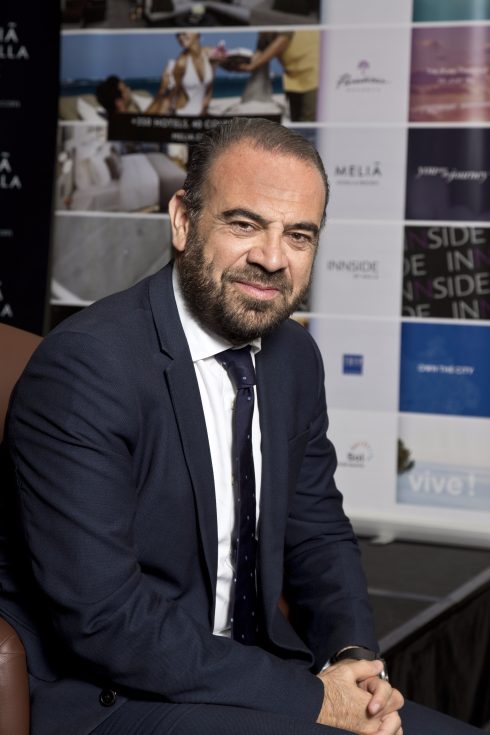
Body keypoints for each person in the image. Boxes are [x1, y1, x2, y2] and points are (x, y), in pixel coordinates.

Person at [0, 118, 482, 735]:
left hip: (254, 676)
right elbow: (105, 619)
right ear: (183, 221)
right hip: (114, 695)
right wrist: (313, 700)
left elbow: (317, 533)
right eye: (245, 224)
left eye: (298, 235)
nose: (272, 258)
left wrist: (352, 660)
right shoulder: (86, 369)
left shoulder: (294, 357)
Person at [238, 31, 320, 122]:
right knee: (297, 120)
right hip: (292, 77)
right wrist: (238, 63)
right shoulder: (264, 29)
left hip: (314, 73)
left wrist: (254, 65)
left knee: (309, 121)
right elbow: (260, 50)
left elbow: (284, 39)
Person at [172, 31, 216, 116]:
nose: (180, 37)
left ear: (197, 33)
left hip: (202, 113)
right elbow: (172, 95)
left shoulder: (209, 52)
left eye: (184, 33)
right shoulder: (180, 63)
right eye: (177, 35)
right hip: (183, 112)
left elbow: (209, 86)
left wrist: (204, 109)